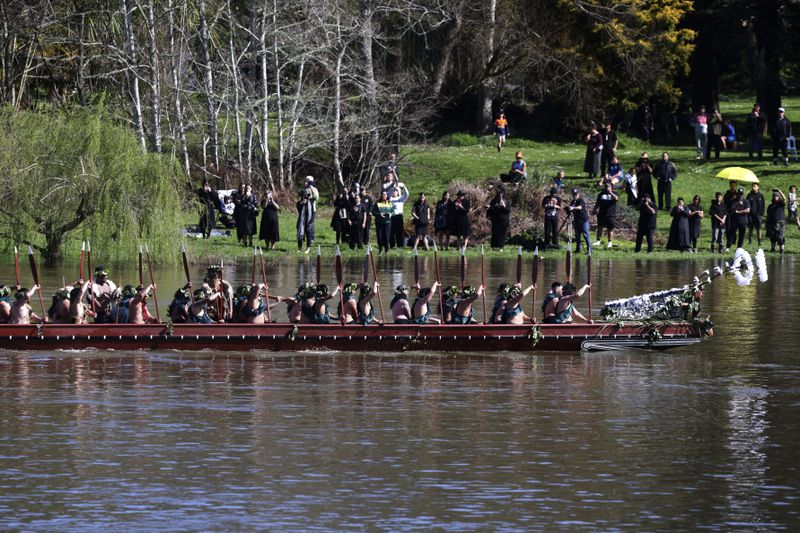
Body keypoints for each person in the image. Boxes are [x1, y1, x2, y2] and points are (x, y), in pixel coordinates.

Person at [592, 183, 618, 248]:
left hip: (610, 214)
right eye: (606, 186)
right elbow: (597, 203)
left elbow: (616, 199)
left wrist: (611, 193)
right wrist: (594, 210)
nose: (607, 187)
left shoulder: (614, 193)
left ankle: (610, 242)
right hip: (601, 214)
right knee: (599, 228)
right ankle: (598, 240)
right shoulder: (601, 194)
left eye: (608, 186)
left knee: (610, 229)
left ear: (611, 187)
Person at [566, 188, 591, 253]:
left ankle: (589, 250)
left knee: (586, 235)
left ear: (578, 194)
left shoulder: (581, 200)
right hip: (577, 221)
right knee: (577, 236)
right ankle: (578, 249)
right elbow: (570, 208)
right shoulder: (573, 202)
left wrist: (573, 207)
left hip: (584, 221)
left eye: (576, 194)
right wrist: (568, 208)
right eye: (573, 194)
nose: (575, 196)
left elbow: (580, 207)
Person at [389, 182, 410, 248]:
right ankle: (392, 245)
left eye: (396, 191)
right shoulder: (390, 199)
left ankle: (399, 245)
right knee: (391, 232)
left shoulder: (401, 199)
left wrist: (403, 186)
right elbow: (388, 194)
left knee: (399, 232)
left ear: (398, 192)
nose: (394, 192)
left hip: (399, 216)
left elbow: (407, 194)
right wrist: (393, 188)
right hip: (392, 217)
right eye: (394, 192)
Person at [766, 189, 787, 253]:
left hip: (780, 222)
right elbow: (768, 215)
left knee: (780, 237)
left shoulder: (781, 204)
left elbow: (784, 198)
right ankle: (772, 249)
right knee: (772, 237)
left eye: (777, 196)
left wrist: (779, 190)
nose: (775, 197)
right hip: (772, 223)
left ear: (779, 197)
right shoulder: (770, 206)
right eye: (774, 196)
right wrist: (767, 224)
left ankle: (781, 250)